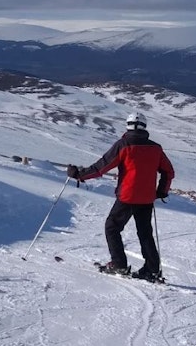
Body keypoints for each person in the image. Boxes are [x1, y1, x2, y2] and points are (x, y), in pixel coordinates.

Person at [67, 112, 176, 281]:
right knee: (145, 232)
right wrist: (161, 191)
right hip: (147, 198)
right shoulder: (155, 148)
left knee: (112, 227)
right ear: (144, 127)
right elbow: (168, 172)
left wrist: (79, 174)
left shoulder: (123, 145)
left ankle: (119, 264)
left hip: (127, 196)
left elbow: (101, 167)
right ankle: (152, 269)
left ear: (128, 125)